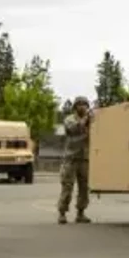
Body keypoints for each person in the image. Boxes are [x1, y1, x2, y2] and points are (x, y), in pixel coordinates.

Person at [57, 96, 93, 224]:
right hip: (71, 158)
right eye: (80, 104)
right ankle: (62, 213)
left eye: (85, 104)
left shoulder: (90, 121)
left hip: (84, 158)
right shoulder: (69, 119)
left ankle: (81, 213)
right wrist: (86, 119)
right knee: (67, 186)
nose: (82, 106)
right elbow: (74, 129)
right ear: (75, 107)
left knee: (84, 187)